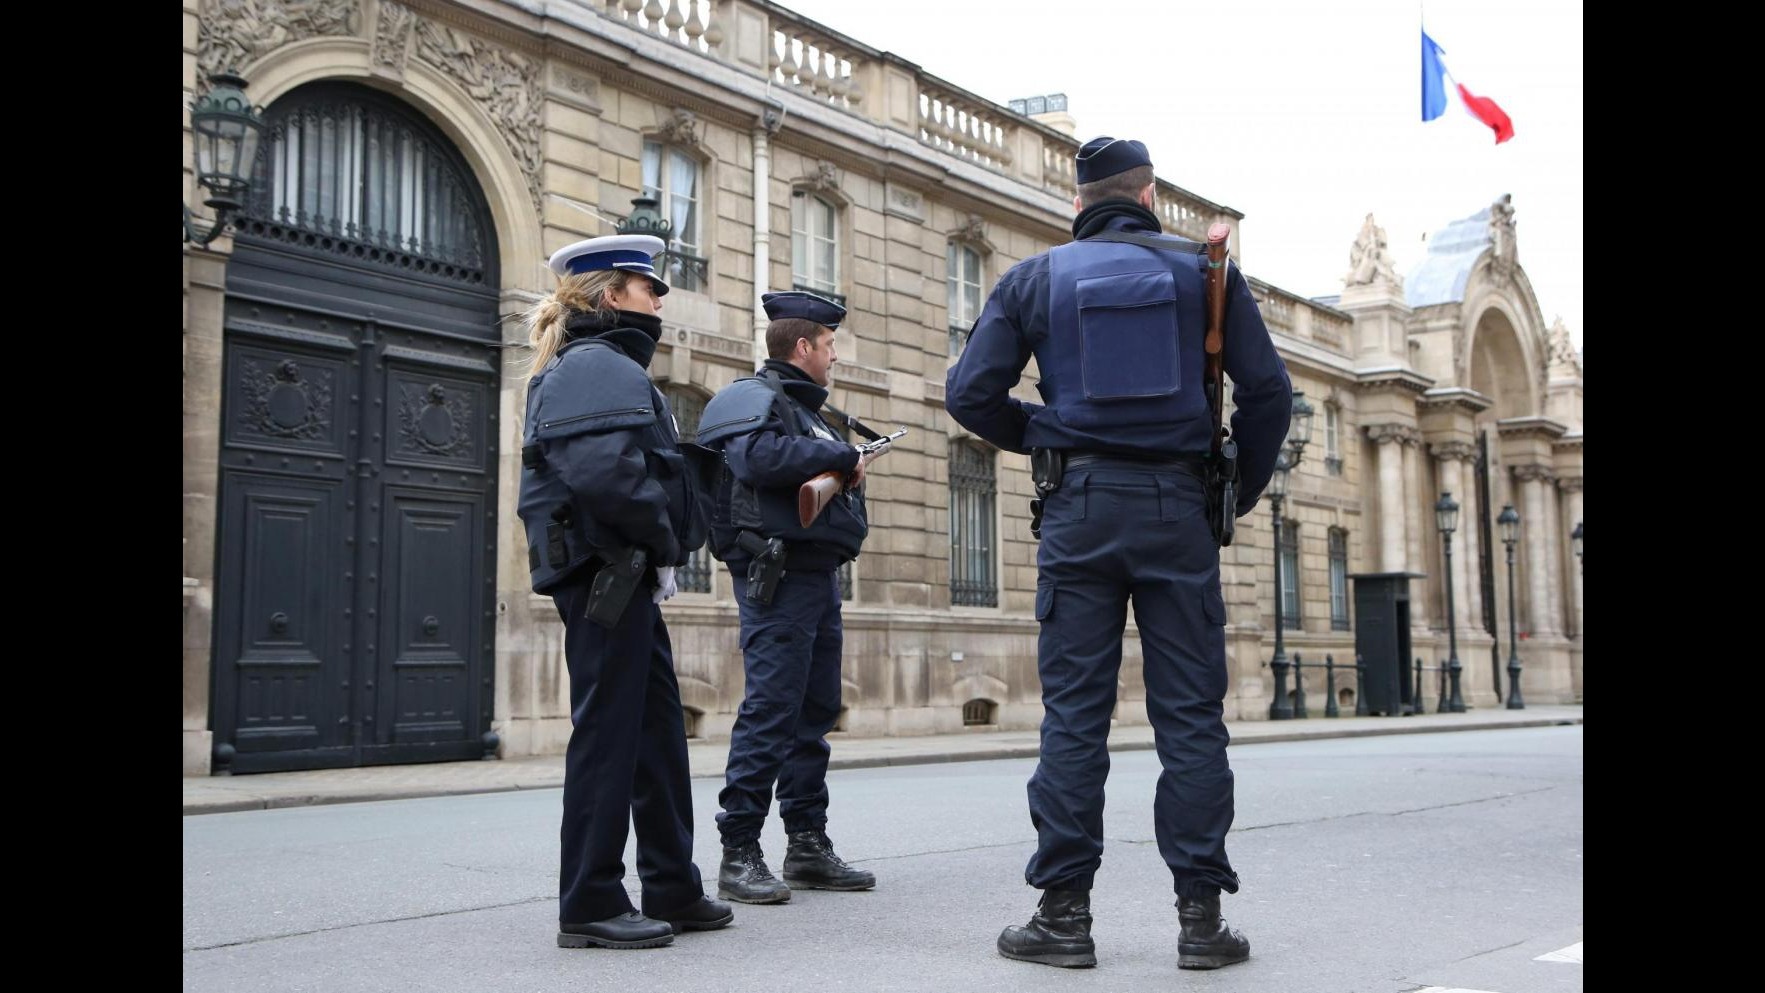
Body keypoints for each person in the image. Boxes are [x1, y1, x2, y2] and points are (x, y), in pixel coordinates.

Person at [945, 136, 1292, 971]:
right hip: (1178, 508)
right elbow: (1269, 393)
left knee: (1073, 718)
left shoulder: (1035, 278)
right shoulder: (1202, 274)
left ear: (1077, 205)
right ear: (1146, 197)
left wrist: (1047, 436)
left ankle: (1063, 916)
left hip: (1080, 509)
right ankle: (1200, 921)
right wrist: (1232, 489)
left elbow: (968, 393)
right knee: (1189, 719)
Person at [516, 233, 732, 950]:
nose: (660, 297)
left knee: (655, 734)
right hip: (607, 571)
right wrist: (666, 539)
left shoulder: (603, 365)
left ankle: (671, 882)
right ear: (612, 295)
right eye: (648, 287)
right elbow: (605, 472)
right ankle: (589, 900)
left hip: (625, 571)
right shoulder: (594, 363)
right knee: (610, 736)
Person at [694, 290, 880, 905]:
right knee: (772, 709)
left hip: (817, 575)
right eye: (828, 346)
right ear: (803, 347)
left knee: (814, 710)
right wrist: (837, 454)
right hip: (776, 577)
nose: (833, 358)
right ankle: (739, 849)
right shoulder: (755, 399)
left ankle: (806, 844)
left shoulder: (810, 413)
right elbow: (756, 458)